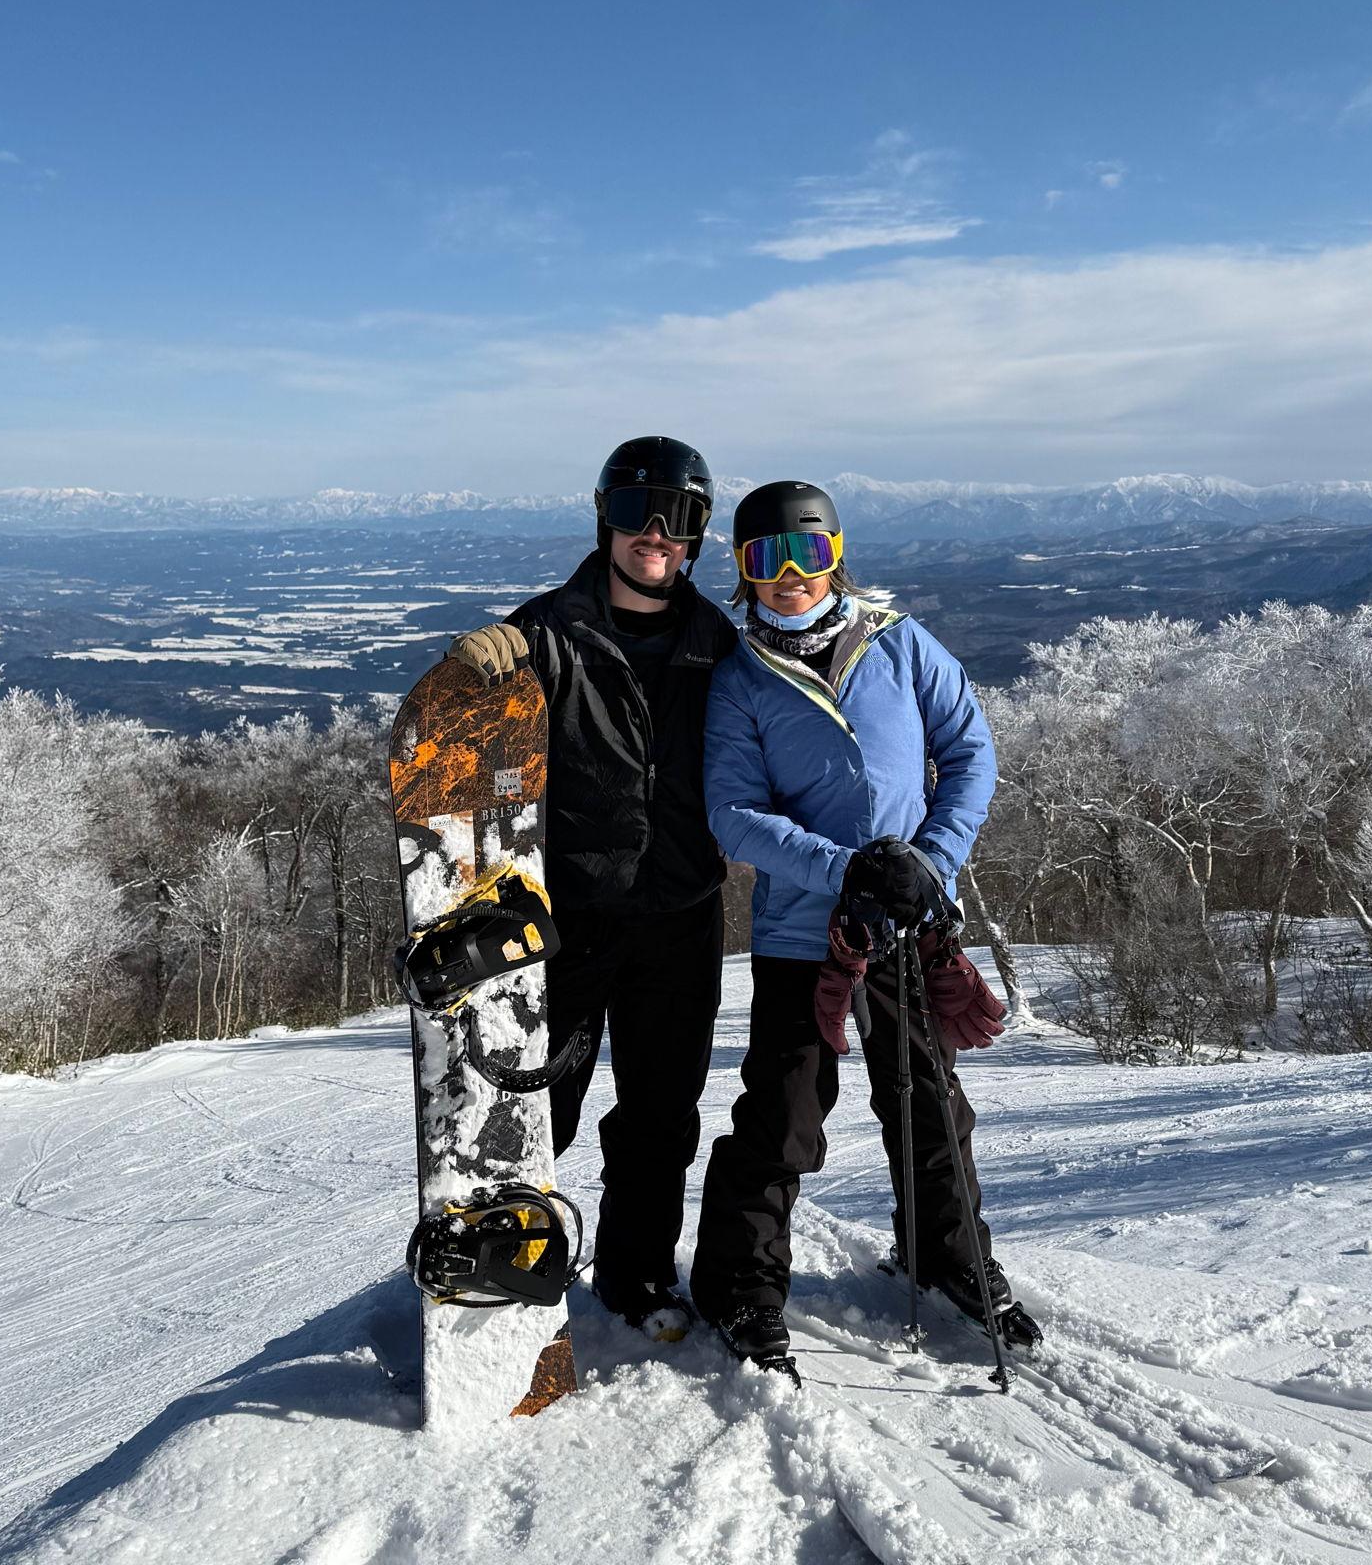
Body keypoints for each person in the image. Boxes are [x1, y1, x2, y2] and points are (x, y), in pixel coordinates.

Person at [688, 478, 1041, 1373]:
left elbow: (969, 752)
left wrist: (929, 861)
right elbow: (733, 814)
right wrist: (847, 869)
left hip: (912, 919)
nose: (791, 575)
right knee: (787, 1111)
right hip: (809, 932)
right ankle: (741, 1280)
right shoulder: (740, 678)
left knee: (929, 1102)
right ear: (742, 571)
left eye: (809, 553)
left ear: (837, 554)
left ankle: (949, 1258)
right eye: (766, 559)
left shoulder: (900, 644)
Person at [446, 435, 736, 1340]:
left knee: (661, 1113)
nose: (655, 535)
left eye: (677, 518)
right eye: (635, 514)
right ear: (603, 520)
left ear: (695, 537)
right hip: (573, 920)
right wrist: (479, 662)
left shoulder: (715, 645)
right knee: (539, 1108)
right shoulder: (546, 634)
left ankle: (638, 1277)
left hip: (683, 917)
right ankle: (508, 1268)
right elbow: (464, 743)